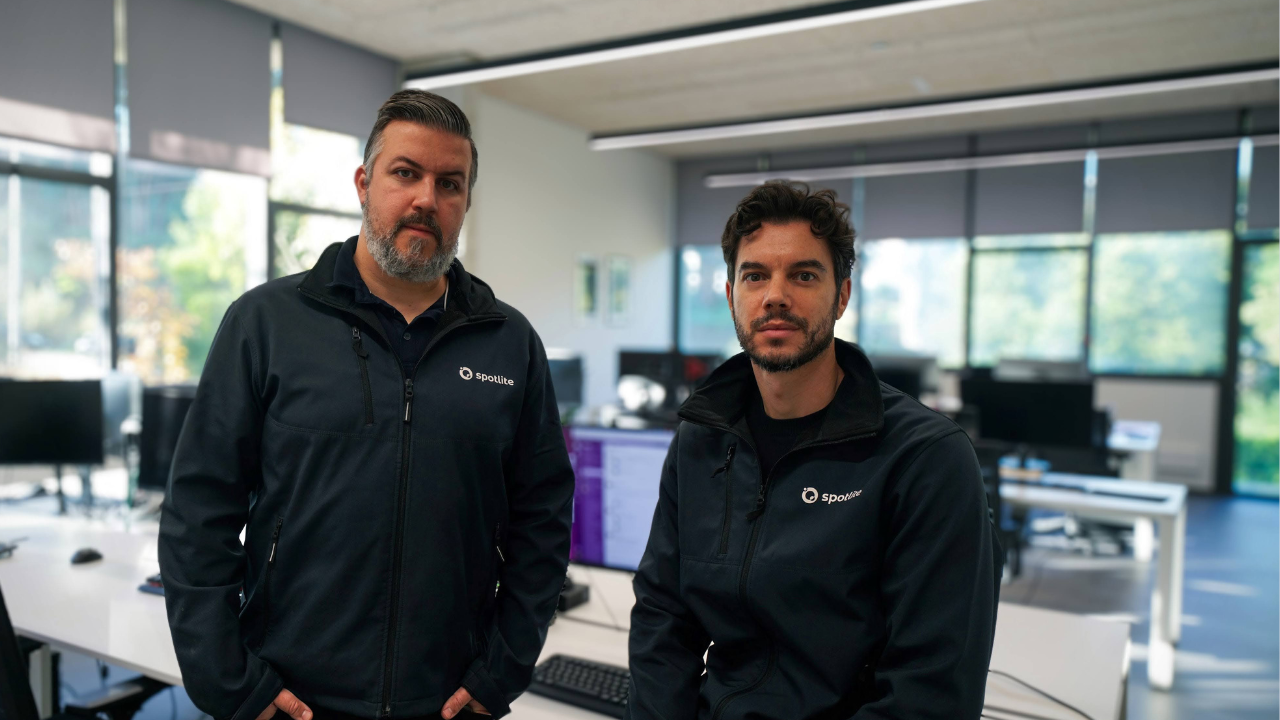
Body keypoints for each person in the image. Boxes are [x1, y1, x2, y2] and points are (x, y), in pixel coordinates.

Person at [159, 90, 574, 720]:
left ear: (465, 202)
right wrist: (231, 682)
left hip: (447, 701)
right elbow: (197, 514)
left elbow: (542, 522)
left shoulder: (510, 343)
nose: (426, 199)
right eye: (405, 173)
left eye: (450, 183)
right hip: (289, 698)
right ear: (363, 183)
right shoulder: (266, 324)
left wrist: (501, 672)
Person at [626, 182, 1000, 719]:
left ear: (842, 296)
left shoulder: (927, 459)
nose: (775, 295)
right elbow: (663, 616)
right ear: (731, 296)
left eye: (803, 275)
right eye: (755, 275)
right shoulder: (701, 439)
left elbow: (930, 695)